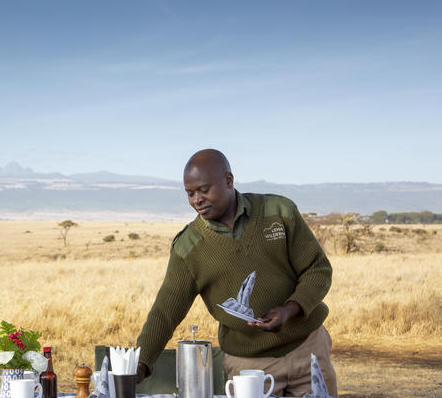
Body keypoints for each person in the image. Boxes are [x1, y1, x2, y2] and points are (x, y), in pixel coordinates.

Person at [135, 149, 337, 397]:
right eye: (190, 194)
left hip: (309, 349)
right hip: (249, 366)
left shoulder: (279, 212)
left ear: (228, 180)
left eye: (204, 189)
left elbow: (318, 269)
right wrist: (141, 363)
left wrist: (291, 308)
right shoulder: (188, 248)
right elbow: (166, 311)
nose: (197, 200)